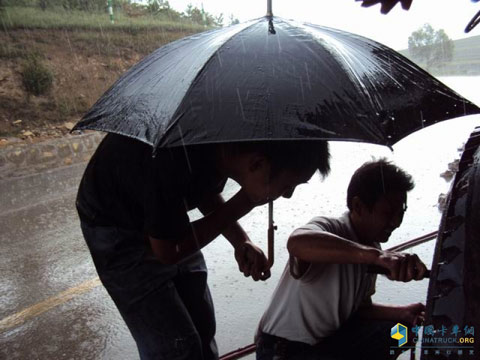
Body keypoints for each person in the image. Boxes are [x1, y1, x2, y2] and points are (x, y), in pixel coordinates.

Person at [76, 133, 330, 360]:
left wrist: (241, 240)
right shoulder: (169, 156)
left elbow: (202, 191)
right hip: (114, 223)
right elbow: (169, 251)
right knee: (175, 347)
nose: (287, 195)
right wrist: (246, 201)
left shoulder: (219, 140)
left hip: (163, 215)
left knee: (202, 326)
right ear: (257, 164)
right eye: (287, 186)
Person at [256, 158, 427, 360]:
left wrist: (402, 312)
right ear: (358, 206)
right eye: (388, 213)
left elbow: (359, 309)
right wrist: (377, 257)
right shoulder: (329, 228)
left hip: (326, 345)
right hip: (283, 350)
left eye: (401, 213)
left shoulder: (372, 247)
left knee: (404, 333)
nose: (396, 222)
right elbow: (296, 243)